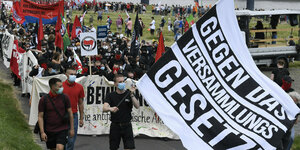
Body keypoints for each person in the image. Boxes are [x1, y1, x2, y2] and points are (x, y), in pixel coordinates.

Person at [103, 74, 140, 150]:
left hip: (127, 125)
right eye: (120, 82)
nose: (122, 83)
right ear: (115, 84)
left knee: (129, 147)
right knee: (113, 147)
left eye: (123, 81)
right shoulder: (110, 95)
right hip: (115, 126)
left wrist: (132, 94)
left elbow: (137, 106)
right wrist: (110, 109)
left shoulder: (129, 93)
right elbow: (104, 108)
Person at [38, 78, 74, 150]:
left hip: (62, 129)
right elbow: (40, 116)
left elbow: (70, 113)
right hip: (49, 130)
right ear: (52, 87)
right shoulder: (44, 100)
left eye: (62, 86)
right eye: (59, 86)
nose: (62, 88)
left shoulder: (65, 98)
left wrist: (72, 129)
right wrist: (42, 132)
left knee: (59, 148)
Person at [63, 67, 85, 150]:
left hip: (74, 115)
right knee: (61, 139)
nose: (73, 76)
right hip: (61, 115)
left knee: (71, 140)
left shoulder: (79, 87)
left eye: (75, 74)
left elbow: (80, 103)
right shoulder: (60, 86)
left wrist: (81, 118)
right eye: (71, 74)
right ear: (66, 75)